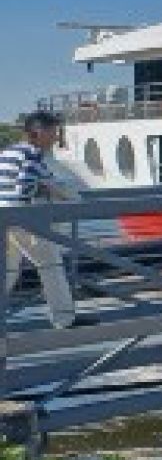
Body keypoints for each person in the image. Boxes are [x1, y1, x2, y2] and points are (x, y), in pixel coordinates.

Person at [2, 111, 77, 329]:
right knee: (51, 263)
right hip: (20, 217)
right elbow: (24, 188)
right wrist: (46, 188)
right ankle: (64, 319)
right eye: (53, 131)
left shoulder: (8, 152)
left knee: (8, 270)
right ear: (38, 132)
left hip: (3, 217)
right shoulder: (33, 155)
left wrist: (45, 185)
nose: (56, 137)